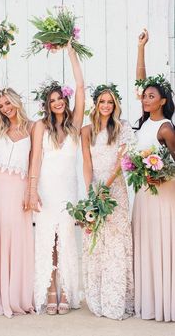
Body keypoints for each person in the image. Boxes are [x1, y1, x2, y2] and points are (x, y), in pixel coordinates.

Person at [29, 41, 84, 315]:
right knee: (48, 242)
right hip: (47, 189)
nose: (57, 102)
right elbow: (36, 159)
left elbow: (82, 87)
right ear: (47, 105)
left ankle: (65, 290)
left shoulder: (75, 125)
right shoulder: (40, 126)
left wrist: (71, 52)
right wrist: (31, 190)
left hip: (68, 190)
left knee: (65, 239)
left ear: (66, 98)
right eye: (52, 100)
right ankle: (51, 290)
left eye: (60, 97)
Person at [0, 51, 35, 318]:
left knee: (18, 237)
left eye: (7, 103)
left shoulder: (33, 127)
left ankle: (16, 295)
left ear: (16, 102)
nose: (4, 108)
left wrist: (31, 190)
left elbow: (36, 162)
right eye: (1, 105)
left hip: (19, 187)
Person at [81, 84, 134, 320]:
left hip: (116, 190)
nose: (105, 106)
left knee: (115, 241)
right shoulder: (86, 130)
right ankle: (97, 297)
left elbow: (121, 162)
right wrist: (90, 192)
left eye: (109, 102)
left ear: (115, 105)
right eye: (102, 101)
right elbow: (86, 163)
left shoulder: (122, 128)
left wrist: (106, 187)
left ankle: (117, 299)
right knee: (97, 241)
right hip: (95, 190)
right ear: (95, 103)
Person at [133, 29, 175, 322]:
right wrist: (141, 47)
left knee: (161, 246)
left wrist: (161, 178)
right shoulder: (146, 121)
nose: (145, 98)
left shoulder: (166, 128)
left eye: (151, 96)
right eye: (145, 96)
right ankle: (149, 302)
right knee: (146, 245)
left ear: (162, 101)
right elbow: (140, 79)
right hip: (143, 195)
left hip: (161, 195)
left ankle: (165, 303)